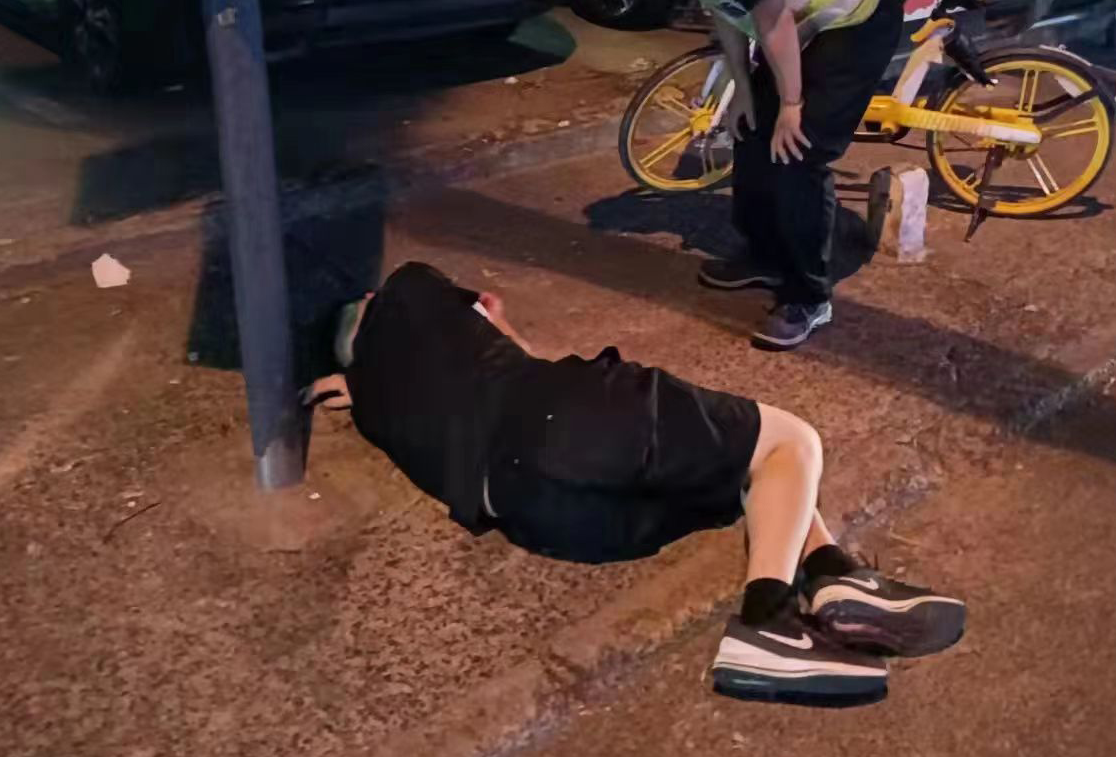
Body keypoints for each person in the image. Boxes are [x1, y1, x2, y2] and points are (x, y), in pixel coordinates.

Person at [304, 261, 966, 706]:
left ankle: (833, 575)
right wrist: (492, 319)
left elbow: (393, 385)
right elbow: (507, 347)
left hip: (542, 518)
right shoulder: (413, 288)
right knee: (791, 441)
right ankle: (768, 622)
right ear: (370, 307)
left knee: (748, 473)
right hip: (562, 418)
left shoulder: (376, 404)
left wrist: (365, 386)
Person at [571, 0, 905, 350]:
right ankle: (764, 255)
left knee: (797, 151)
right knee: (751, 132)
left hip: (855, 16)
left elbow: (770, 18)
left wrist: (792, 104)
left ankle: (808, 295)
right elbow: (725, 8)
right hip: (799, 24)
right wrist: (745, 91)